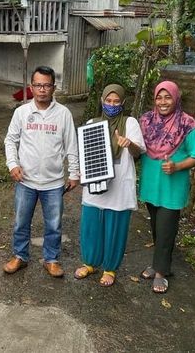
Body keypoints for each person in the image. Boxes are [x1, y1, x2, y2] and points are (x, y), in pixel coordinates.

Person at [3, 66, 79, 278]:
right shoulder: (22, 112)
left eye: (47, 85)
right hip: (25, 181)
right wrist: (12, 164)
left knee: (54, 225)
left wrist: (74, 173)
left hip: (53, 182)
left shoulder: (63, 114)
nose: (42, 89)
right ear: (31, 87)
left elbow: (71, 145)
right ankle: (20, 256)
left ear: (53, 87)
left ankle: (52, 259)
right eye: (38, 85)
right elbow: (10, 140)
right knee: (21, 221)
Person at [74, 84, 145, 287]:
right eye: (108, 100)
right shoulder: (92, 123)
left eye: (116, 101)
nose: (112, 104)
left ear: (123, 102)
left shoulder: (129, 123)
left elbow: (138, 153)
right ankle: (89, 263)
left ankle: (110, 268)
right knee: (91, 224)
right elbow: (85, 154)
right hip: (96, 181)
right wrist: (82, 171)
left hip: (120, 183)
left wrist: (128, 144)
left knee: (115, 226)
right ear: (102, 100)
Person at [138, 81, 195, 293]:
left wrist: (177, 166)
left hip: (172, 187)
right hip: (151, 184)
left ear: (176, 98)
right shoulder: (146, 121)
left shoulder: (187, 124)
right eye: (159, 97)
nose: (163, 102)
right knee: (157, 228)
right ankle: (158, 263)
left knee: (166, 229)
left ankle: (161, 273)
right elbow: (138, 147)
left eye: (168, 97)